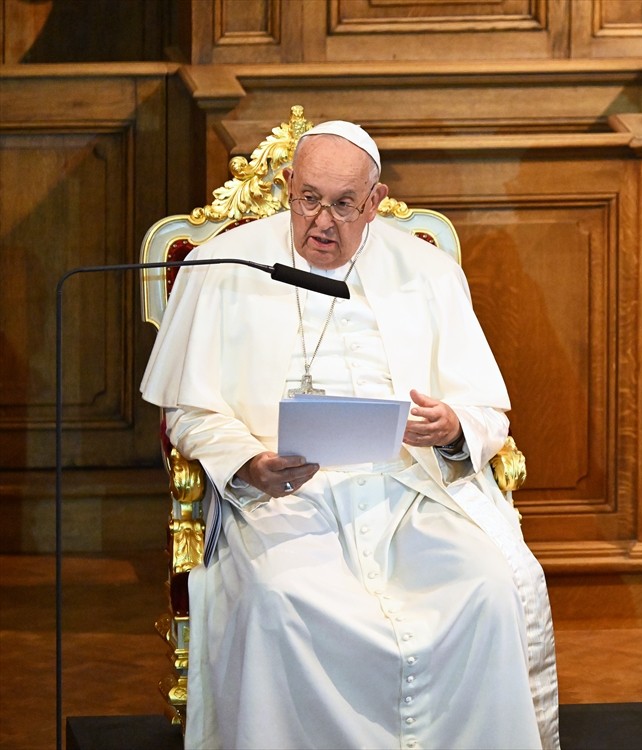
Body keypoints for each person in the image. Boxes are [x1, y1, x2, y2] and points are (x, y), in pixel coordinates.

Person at [141, 120, 560, 750]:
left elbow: (487, 412)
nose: (322, 222)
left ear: (374, 201)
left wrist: (450, 427)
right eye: (309, 199)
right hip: (282, 500)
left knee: (487, 586)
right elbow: (191, 412)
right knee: (277, 600)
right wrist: (249, 462)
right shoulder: (221, 267)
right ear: (288, 186)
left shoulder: (427, 270)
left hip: (412, 492)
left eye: (343, 205)